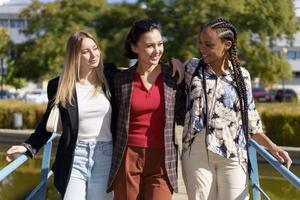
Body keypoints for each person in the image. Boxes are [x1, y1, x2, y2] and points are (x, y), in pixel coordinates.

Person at [180, 18, 292, 200]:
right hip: (197, 152)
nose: (202, 48)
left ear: (227, 45)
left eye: (208, 44)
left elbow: (252, 123)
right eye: (200, 43)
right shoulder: (192, 68)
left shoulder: (242, 77)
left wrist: (273, 147)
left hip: (233, 154)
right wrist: (174, 61)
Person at [6, 31, 115, 200]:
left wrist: (171, 64)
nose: (93, 55)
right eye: (85, 52)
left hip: (106, 155)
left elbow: (143, 70)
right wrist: (28, 146)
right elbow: (46, 124)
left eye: (95, 48)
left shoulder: (110, 75)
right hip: (74, 156)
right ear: (74, 56)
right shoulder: (59, 85)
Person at [106, 18, 185, 200]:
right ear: (135, 48)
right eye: (149, 46)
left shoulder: (174, 76)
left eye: (160, 44)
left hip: (162, 159)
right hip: (127, 157)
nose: (157, 51)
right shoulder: (120, 80)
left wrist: (177, 61)